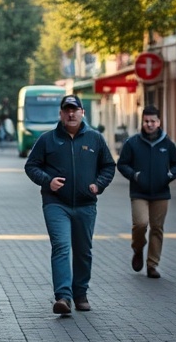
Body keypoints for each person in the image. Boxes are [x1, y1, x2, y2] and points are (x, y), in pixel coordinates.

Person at [24, 95, 115, 316]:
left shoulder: (95, 139)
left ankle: (80, 293)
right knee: (61, 247)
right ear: (61, 114)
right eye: (67, 110)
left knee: (83, 251)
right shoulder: (48, 139)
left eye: (75, 110)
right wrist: (48, 181)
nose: (71, 114)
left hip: (86, 205)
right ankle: (63, 297)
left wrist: (98, 185)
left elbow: (108, 166)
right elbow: (31, 166)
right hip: (56, 204)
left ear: (83, 112)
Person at [116, 105, 176, 279]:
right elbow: (122, 164)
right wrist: (135, 175)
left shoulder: (167, 143)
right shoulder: (132, 143)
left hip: (161, 193)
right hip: (139, 192)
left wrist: (170, 175)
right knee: (140, 224)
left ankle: (152, 264)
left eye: (153, 121)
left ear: (159, 122)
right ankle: (138, 249)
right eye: (146, 121)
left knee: (157, 228)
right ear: (142, 122)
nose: (150, 124)